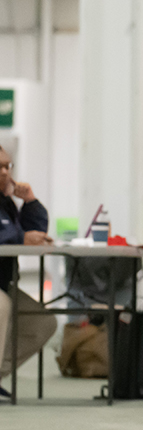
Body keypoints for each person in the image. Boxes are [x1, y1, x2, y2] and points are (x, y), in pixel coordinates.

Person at [0, 145, 57, 398]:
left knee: (43, 322)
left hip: (5, 284)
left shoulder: (6, 203)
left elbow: (33, 231)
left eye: (7, 166)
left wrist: (31, 202)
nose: (5, 172)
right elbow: (14, 236)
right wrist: (22, 237)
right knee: (2, 307)